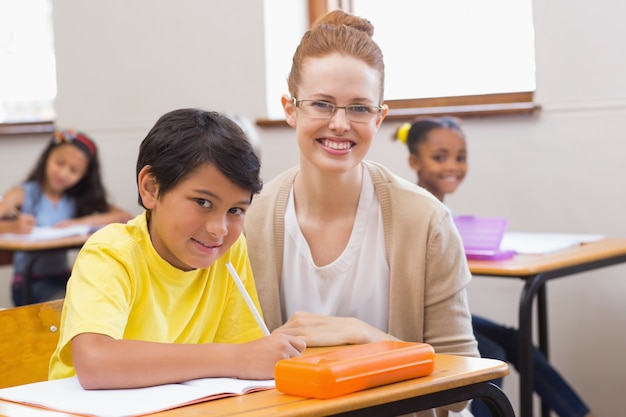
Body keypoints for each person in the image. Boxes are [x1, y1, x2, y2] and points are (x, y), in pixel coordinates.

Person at [244, 10, 478, 417]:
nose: (339, 124)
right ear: (290, 109)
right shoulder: (249, 220)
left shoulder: (426, 221)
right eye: (322, 104)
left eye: (358, 108)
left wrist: (367, 338)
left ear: (379, 116)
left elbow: (464, 388)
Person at [48, 108, 305, 389]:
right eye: (203, 202)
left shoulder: (230, 251)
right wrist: (236, 358)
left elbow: (246, 353)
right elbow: (95, 363)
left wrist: (250, 356)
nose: (219, 229)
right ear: (151, 188)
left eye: (235, 210)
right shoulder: (111, 254)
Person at [392, 116, 596, 417]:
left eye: (460, 157)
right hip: (418, 317)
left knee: (516, 340)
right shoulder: (416, 207)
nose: (453, 166)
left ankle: (578, 414)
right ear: (414, 161)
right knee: (493, 353)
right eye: (440, 157)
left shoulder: (443, 209)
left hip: (439, 311)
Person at [0, 129, 131, 306]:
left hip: (65, 277)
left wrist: (76, 223)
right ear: (47, 157)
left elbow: (124, 217)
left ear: (84, 176)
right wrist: (13, 227)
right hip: (30, 282)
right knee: (76, 304)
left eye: (74, 170)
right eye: (59, 163)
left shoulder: (76, 199)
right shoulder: (24, 193)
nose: (63, 173)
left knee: (105, 296)